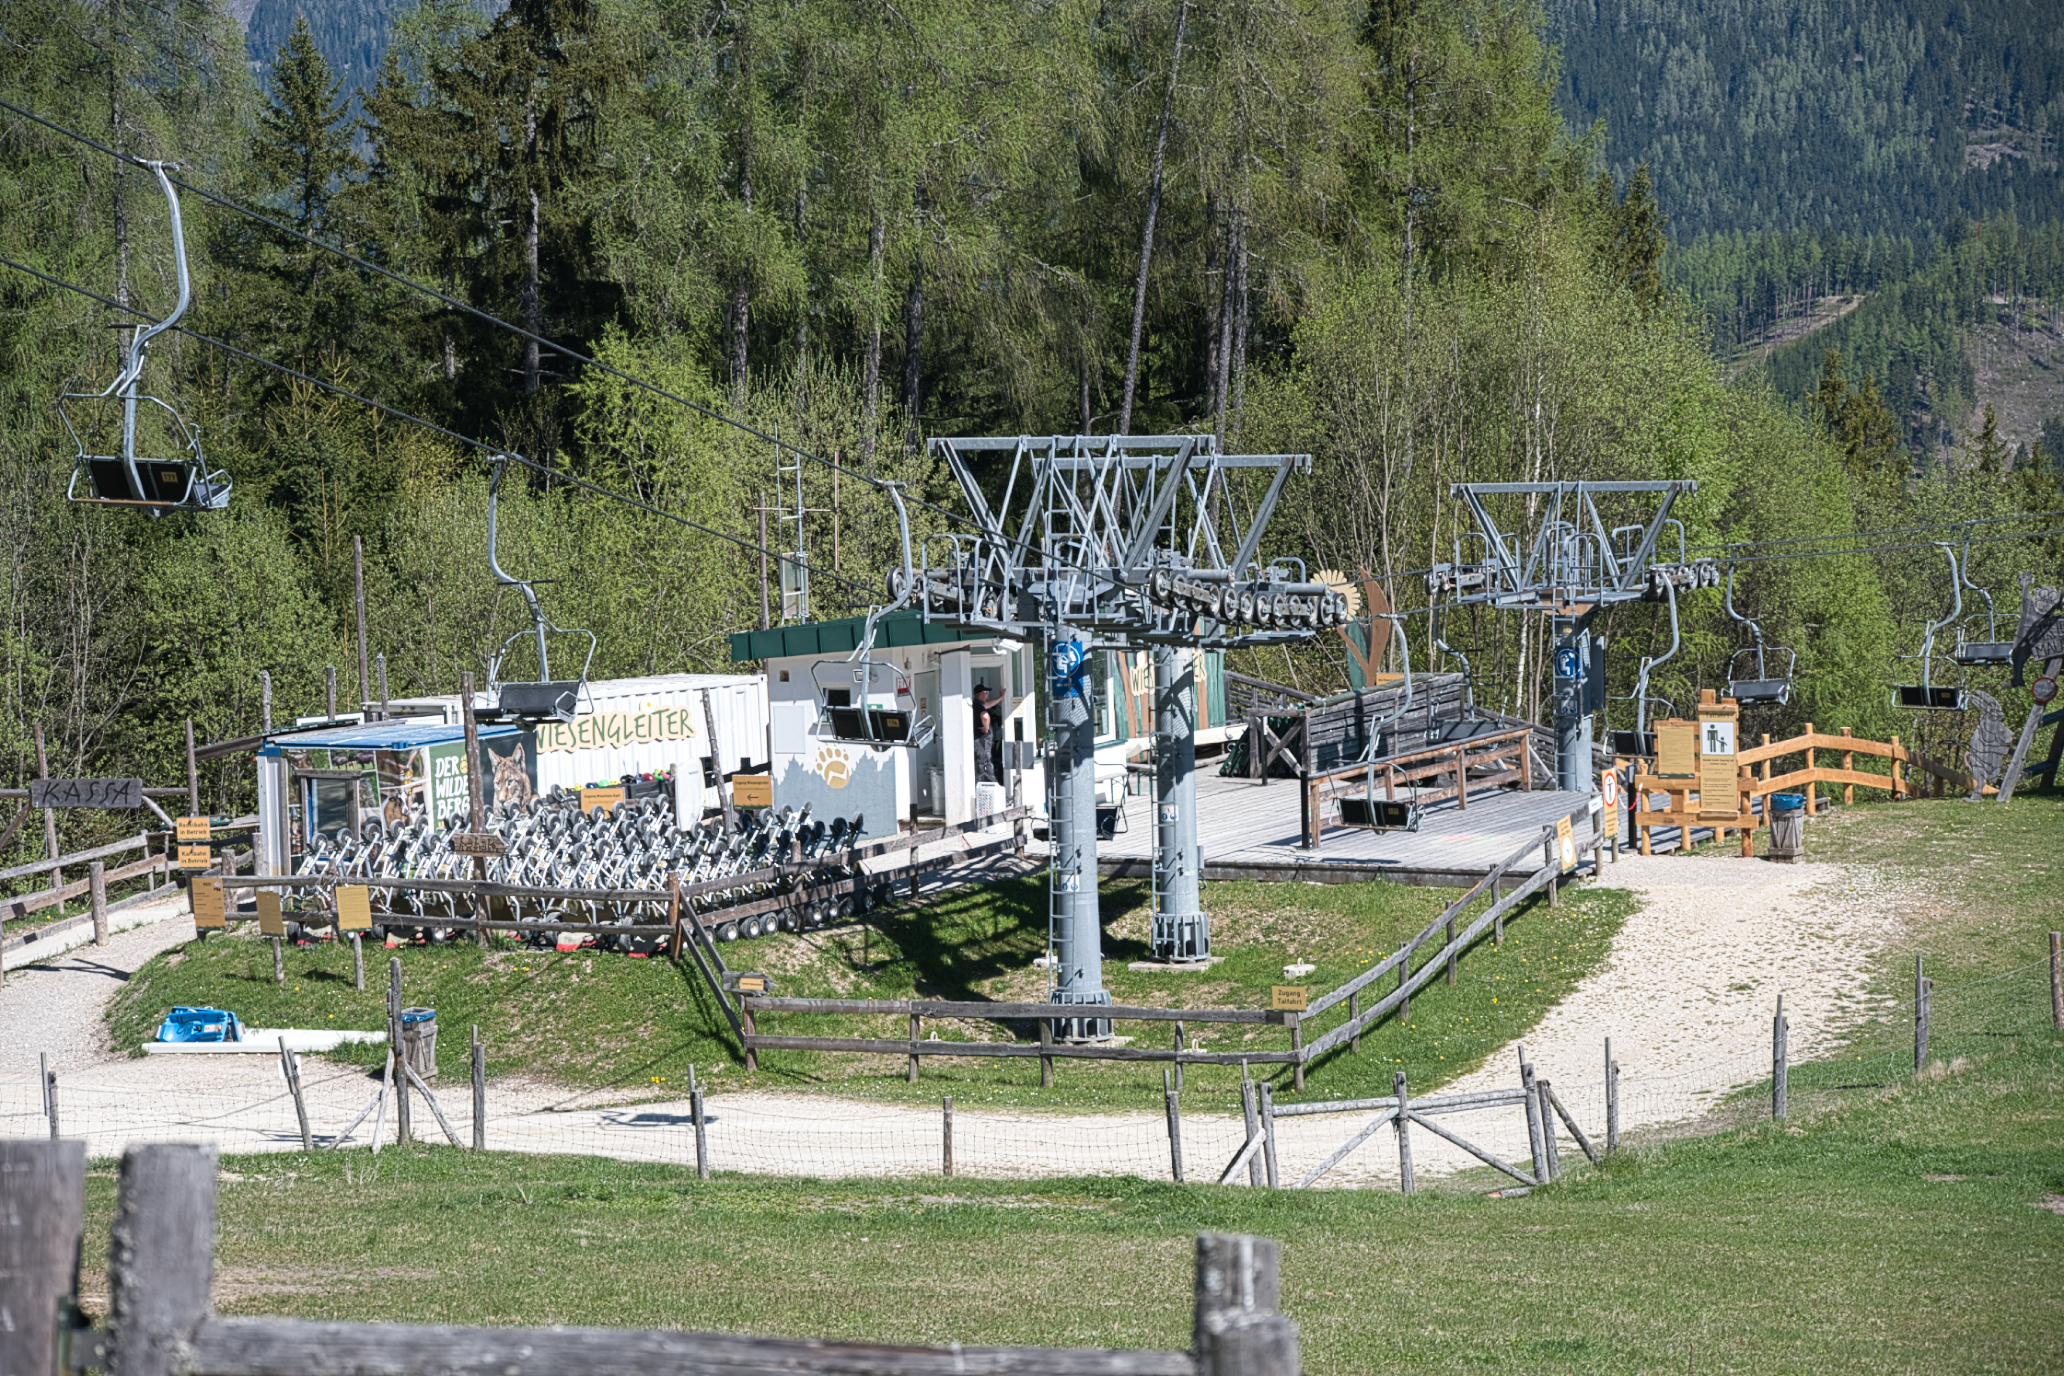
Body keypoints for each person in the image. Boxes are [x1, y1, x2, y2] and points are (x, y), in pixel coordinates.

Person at [972, 684, 998, 784]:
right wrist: (986, 729)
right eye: (986, 693)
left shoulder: (976, 705)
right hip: (981, 740)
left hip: (978, 740)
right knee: (985, 765)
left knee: (982, 764)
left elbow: (988, 705)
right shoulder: (979, 707)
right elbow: (985, 716)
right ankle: (990, 786)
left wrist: (1001, 697)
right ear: (981, 694)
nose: (988, 695)